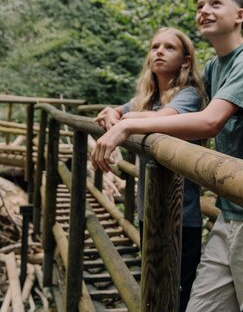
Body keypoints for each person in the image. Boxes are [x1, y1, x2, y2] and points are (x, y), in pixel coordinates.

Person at [91, 0, 243, 312]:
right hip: (230, 208)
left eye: (216, 4)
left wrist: (126, 125)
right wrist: (118, 112)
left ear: (240, 15)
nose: (205, 11)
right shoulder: (216, 67)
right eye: (200, 6)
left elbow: (208, 121)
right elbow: (163, 108)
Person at [93, 27, 206, 310]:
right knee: (153, 284)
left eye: (169, 47)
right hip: (149, 209)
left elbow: (161, 118)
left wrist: (124, 119)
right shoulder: (148, 98)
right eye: (155, 46)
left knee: (177, 292)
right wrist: (111, 112)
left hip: (182, 215)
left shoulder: (188, 96)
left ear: (185, 61)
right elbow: (120, 111)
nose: (159, 51)